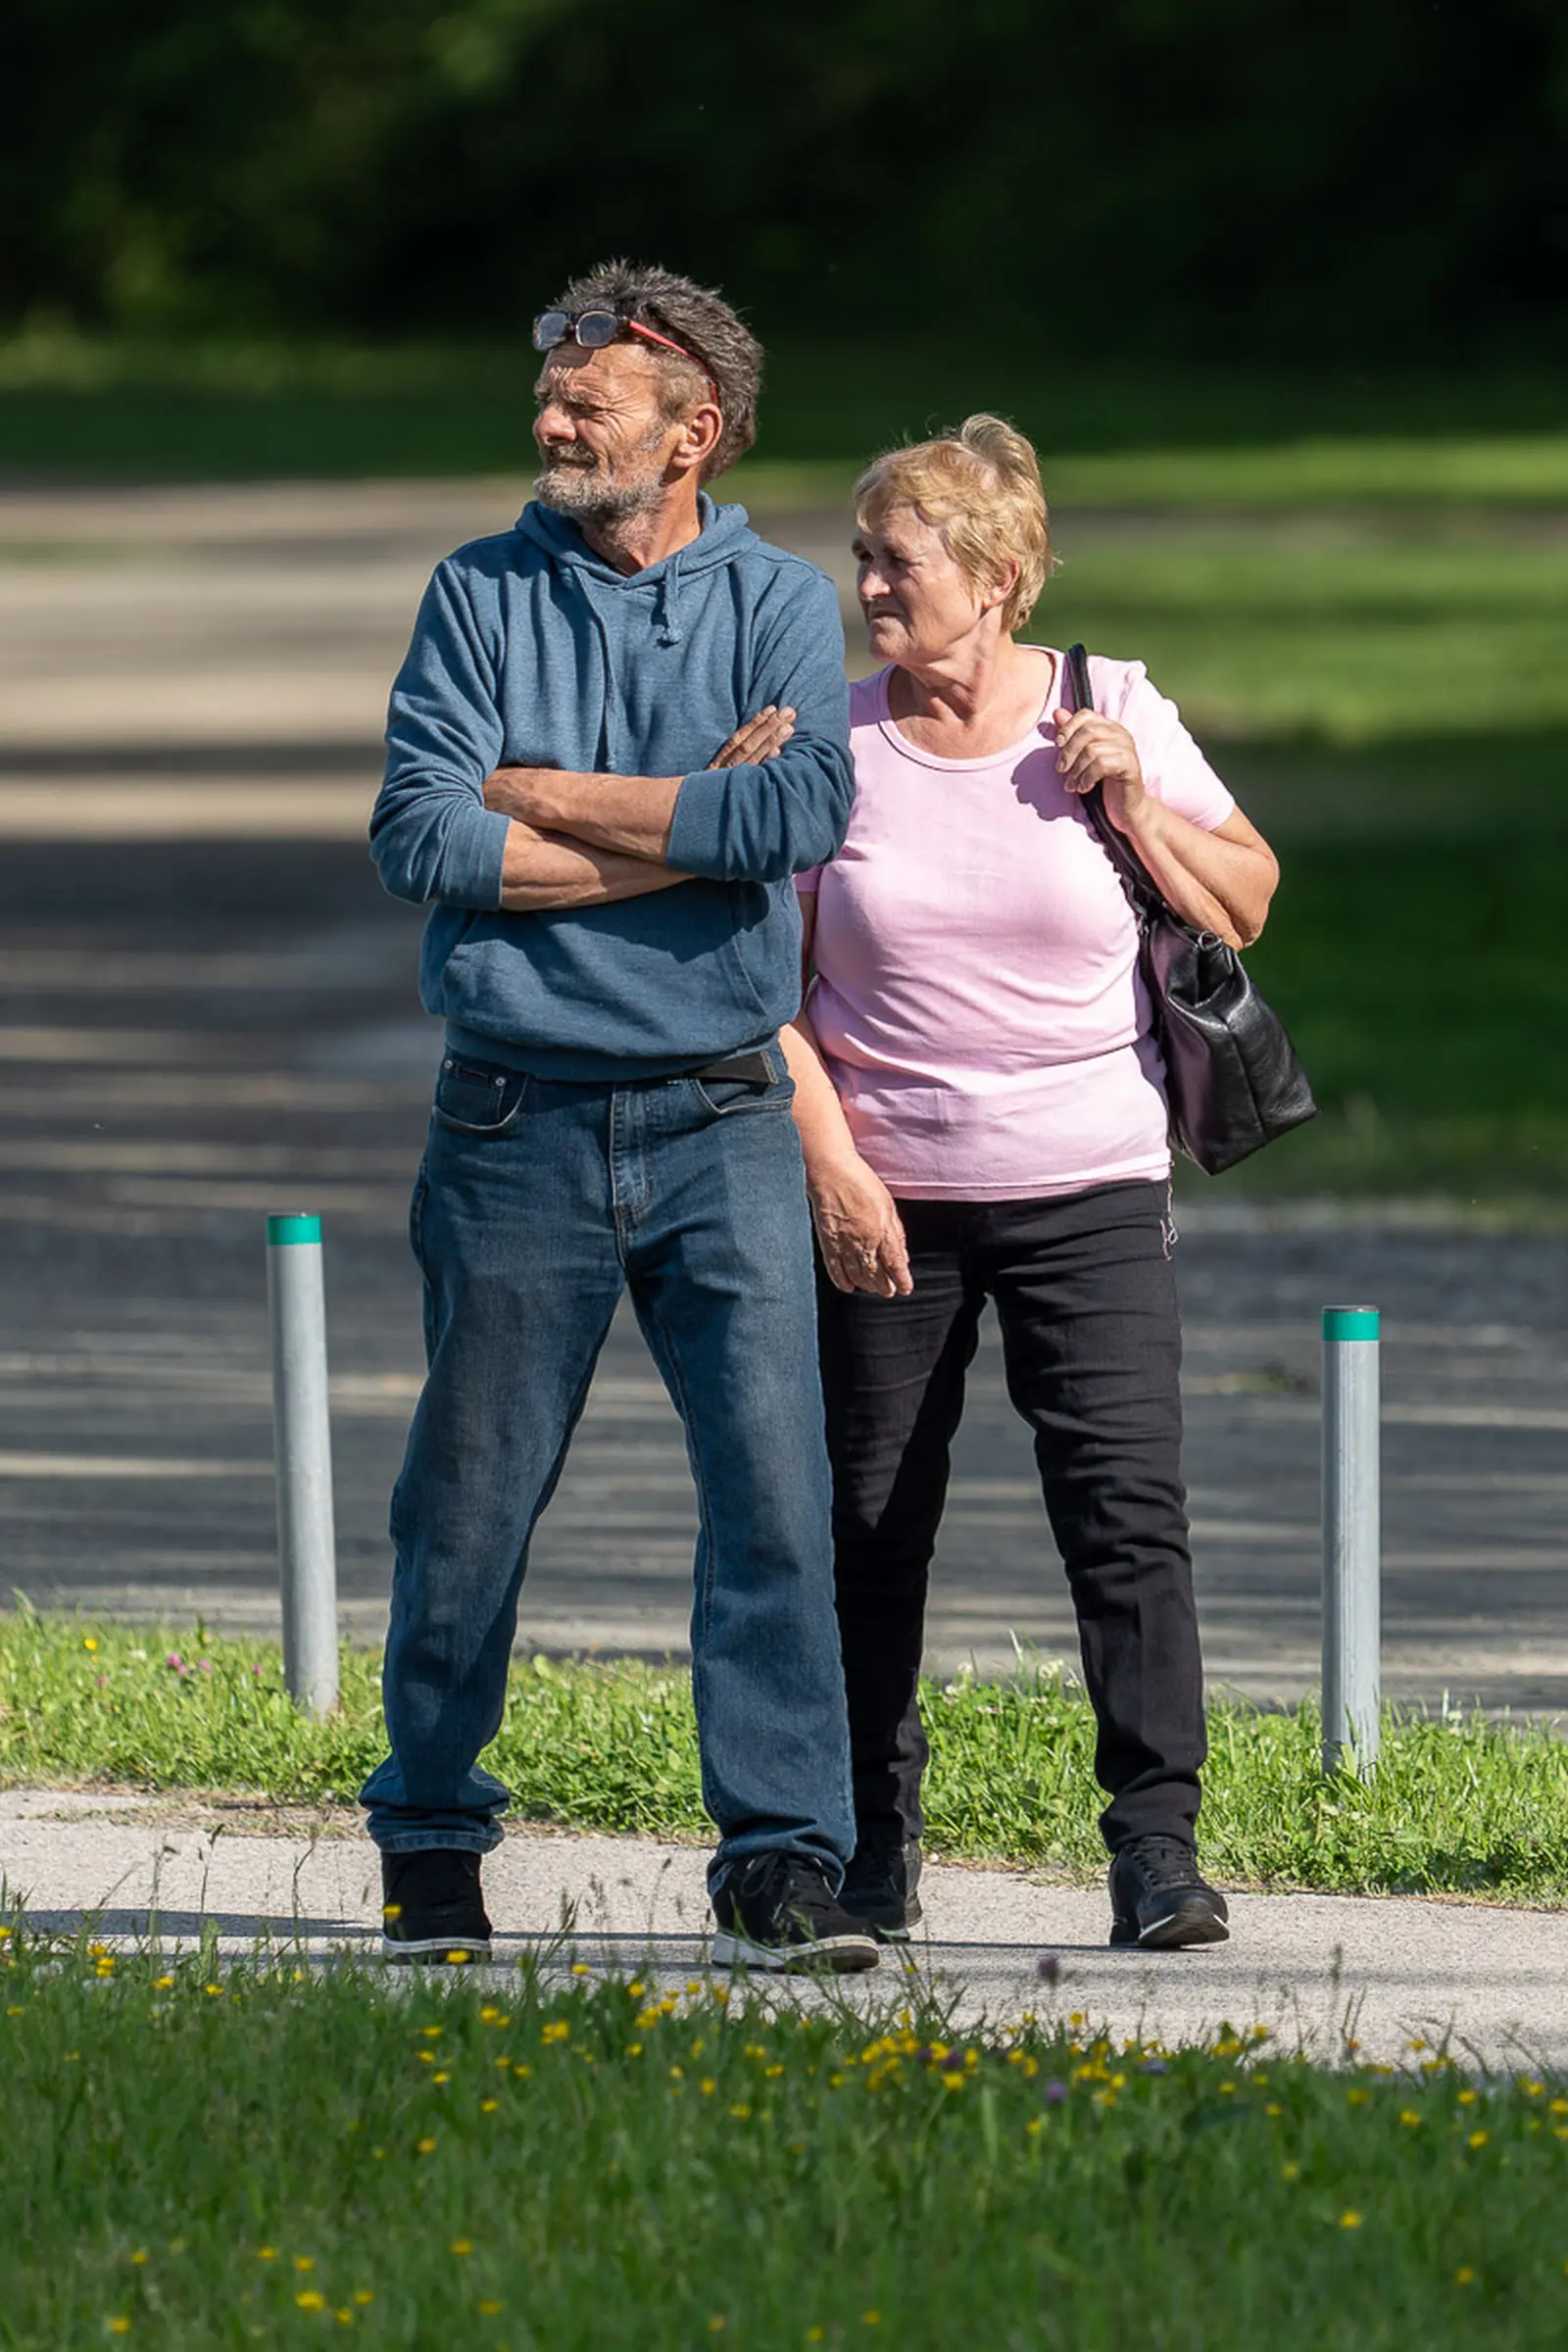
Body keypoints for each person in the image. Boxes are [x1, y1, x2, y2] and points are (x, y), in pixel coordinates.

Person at [362, 262, 878, 1975]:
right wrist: (688, 822)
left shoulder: (784, 598)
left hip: (723, 1116)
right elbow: (424, 840)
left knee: (773, 1500)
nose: (551, 423)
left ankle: (784, 1858)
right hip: (512, 1123)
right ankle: (432, 1840)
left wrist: (556, 803)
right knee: (470, 1504)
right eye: (551, 399)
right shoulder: (479, 592)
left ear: (692, 432)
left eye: (589, 404)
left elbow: (801, 809)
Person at [783, 416, 1280, 1950]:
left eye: (896, 559)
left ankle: (1155, 1852)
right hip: (890, 1202)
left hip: (1094, 1192)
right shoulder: (827, 738)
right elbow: (764, 988)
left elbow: (1249, 900)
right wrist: (836, 1174)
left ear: (993, 580)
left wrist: (1133, 801)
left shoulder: (1111, 704)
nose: (868, 584)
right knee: (867, 1525)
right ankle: (871, 1841)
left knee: (1127, 1518)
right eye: (863, 555)